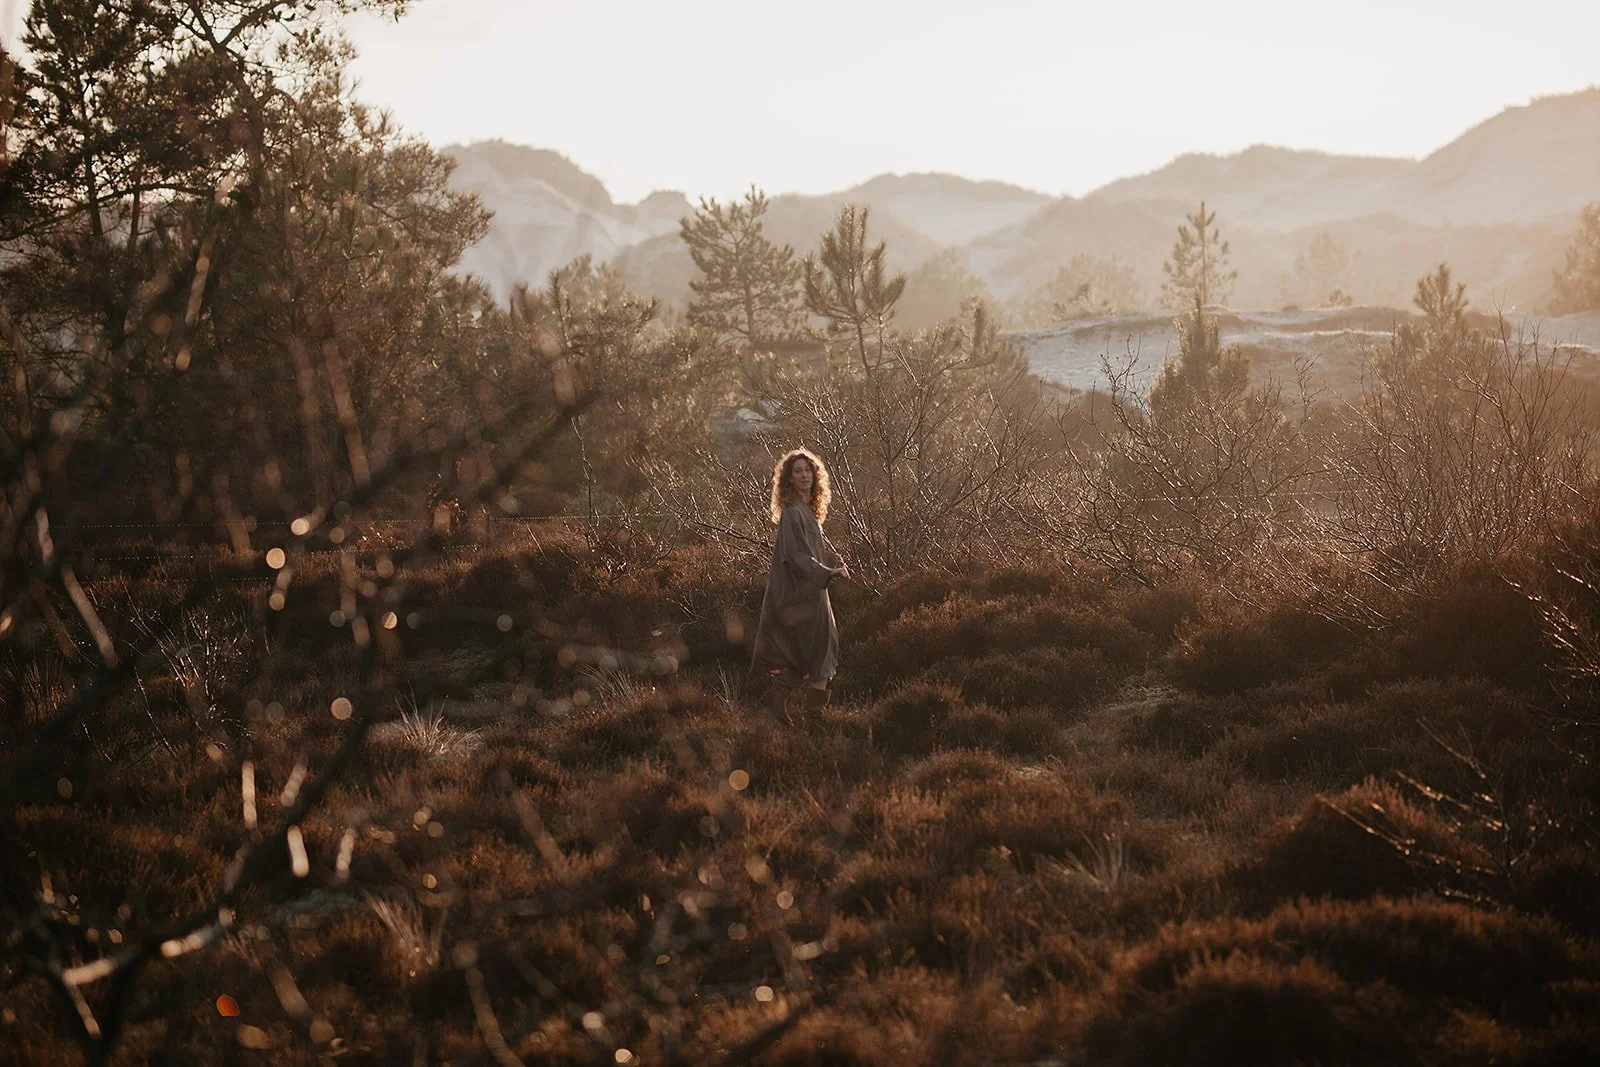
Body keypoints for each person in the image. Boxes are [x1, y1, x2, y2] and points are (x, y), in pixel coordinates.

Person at [748, 448, 849, 718]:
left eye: (808, 470)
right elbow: (796, 556)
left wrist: (832, 560)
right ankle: (811, 719)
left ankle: (781, 704)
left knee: (815, 651)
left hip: (812, 593)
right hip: (801, 594)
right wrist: (827, 573)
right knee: (817, 650)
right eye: (798, 471)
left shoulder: (807, 512)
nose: (804, 475)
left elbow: (812, 550)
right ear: (789, 479)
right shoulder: (792, 513)